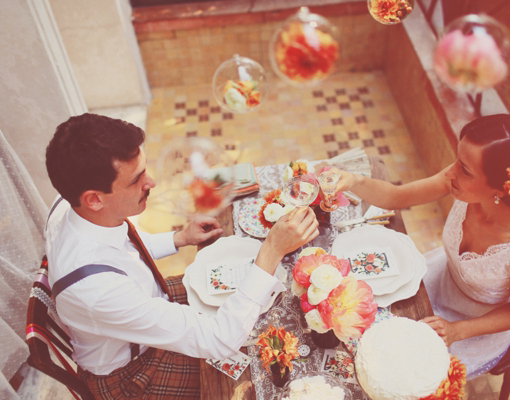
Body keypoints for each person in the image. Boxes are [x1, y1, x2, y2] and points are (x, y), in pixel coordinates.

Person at [44, 113, 320, 398]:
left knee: (267, 303)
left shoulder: (71, 205)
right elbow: (218, 340)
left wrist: (178, 239)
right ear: (94, 199)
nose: (150, 182)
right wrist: (272, 250)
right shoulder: (95, 290)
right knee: (263, 361)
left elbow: (115, 253)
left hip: (145, 304)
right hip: (133, 374)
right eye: (136, 179)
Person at [325, 114, 510, 379]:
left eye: (465, 169)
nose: (451, 172)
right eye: (458, 160)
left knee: (394, 373)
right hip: (437, 281)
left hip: (475, 327)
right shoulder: (460, 182)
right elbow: (397, 196)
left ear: (504, 189)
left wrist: (458, 331)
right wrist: (355, 181)